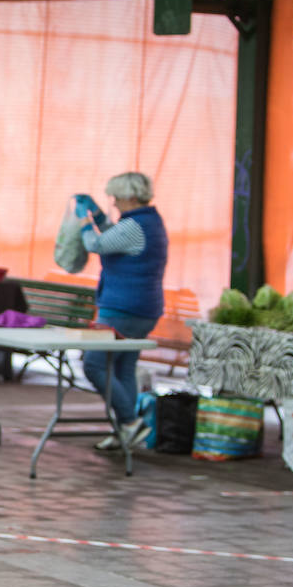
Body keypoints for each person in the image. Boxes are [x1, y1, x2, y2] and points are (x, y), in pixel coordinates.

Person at [79, 171, 168, 450]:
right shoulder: (147, 222)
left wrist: (84, 221)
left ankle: (130, 423)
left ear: (130, 196)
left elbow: (97, 244)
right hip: (145, 307)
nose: (114, 202)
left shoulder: (135, 226)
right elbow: (114, 236)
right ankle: (126, 432)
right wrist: (98, 215)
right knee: (122, 368)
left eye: (116, 197)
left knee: (94, 364)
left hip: (122, 309)